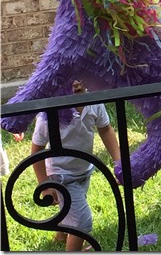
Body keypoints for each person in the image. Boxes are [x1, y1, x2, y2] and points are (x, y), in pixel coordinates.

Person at [31, 80, 121, 251]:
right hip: (60, 175)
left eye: (80, 74)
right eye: (70, 76)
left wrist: (119, 162)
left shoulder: (94, 101)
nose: (76, 82)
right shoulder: (50, 113)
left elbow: (105, 129)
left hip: (84, 170)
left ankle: (61, 236)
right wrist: (44, 184)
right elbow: (37, 149)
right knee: (81, 223)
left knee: (71, 209)